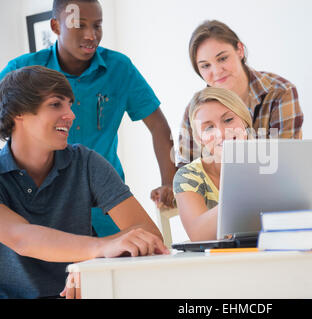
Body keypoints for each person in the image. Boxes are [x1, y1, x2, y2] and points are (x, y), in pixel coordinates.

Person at [0, 0, 176, 237]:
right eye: (79, 25)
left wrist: (169, 181)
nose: (91, 35)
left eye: (97, 26)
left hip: (107, 203)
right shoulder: (24, 70)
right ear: (55, 26)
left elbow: (158, 126)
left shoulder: (119, 68)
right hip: (43, 207)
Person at [0, 66, 169, 299]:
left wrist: (91, 269)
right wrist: (95, 255)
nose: (71, 115)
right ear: (18, 112)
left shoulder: (85, 161)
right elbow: (21, 237)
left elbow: (149, 236)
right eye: (55, 104)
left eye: (69, 104)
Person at [178, 20, 304, 166]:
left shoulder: (280, 93)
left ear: (240, 50)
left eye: (223, 58)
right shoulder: (195, 111)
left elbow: (286, 162)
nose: (217, 71)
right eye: (206, 66)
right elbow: (185, 168)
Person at [173, 87, 253, 241]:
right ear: (200, 138)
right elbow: (198, 234)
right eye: (209, 128)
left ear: (244, 120)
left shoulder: (271, 163)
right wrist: (245, 192)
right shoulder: (189, 176)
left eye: (228, 120)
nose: (222, 133)